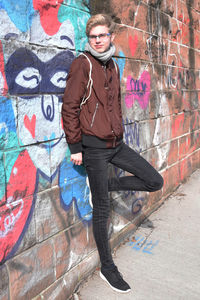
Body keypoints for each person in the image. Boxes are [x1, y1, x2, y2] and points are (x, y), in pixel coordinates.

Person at [62, 14, 163, 293]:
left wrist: (117, 129)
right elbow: (70, 106)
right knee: (102, 209)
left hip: (116, 144)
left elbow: (115, 104)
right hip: (93, 148)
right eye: (93, 36)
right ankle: (108, 268)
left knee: (154, 181)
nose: (97, 40)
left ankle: (105, 186)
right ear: (89, 39)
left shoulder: (113, 65)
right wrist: (75, 147)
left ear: (110, 37)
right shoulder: (83, 64)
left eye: (102, 35)